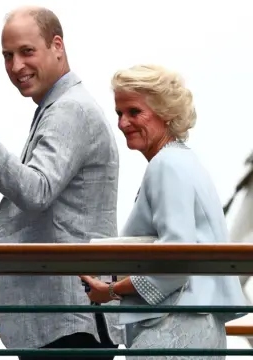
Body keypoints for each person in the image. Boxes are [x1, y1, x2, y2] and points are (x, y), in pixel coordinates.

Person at [0, 5, 122, 360]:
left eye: (27, 51)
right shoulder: (59, 105)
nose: (16, 67)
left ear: (57, 46)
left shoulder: (69, 109)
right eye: (7, 56)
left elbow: (35, 191)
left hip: (70, 319)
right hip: (70, 316)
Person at [80, 64, 247, 359]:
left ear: (165, 112)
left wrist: (111, 291)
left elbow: (176, 259)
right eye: (119, 113)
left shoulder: (166, 166)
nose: (122, 123)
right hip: (197, 327)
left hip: (174, 329)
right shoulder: (186, 162)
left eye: (134, 112)